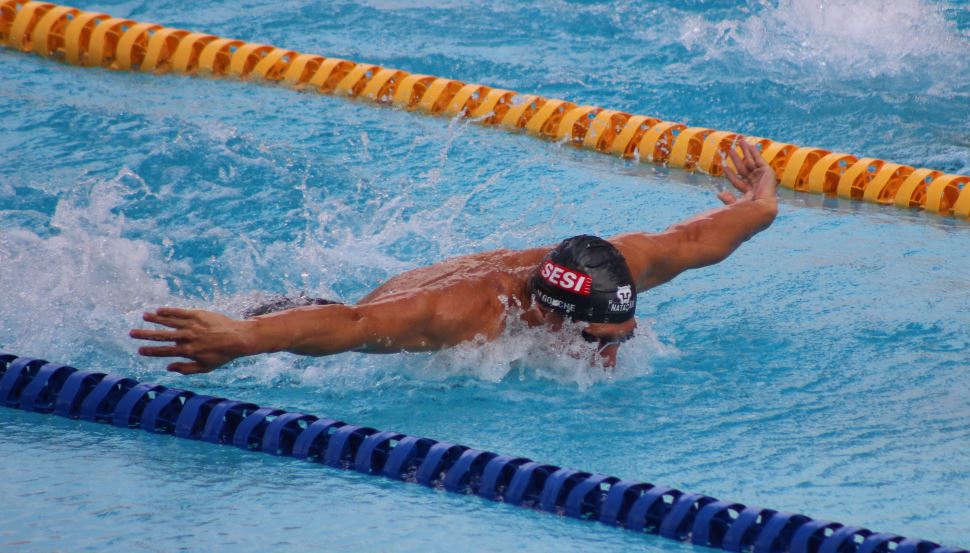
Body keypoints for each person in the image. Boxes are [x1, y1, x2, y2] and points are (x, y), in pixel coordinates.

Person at [131, 140, 778, 374]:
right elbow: (354, 325)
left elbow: (693, 242)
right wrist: (243, 337)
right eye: (598, 341)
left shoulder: (612, 268)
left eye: (620, 337)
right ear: (553, 315)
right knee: (325, 312)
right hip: (348, 311)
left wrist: (761, 204)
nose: (610, 356)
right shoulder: (469, 316)